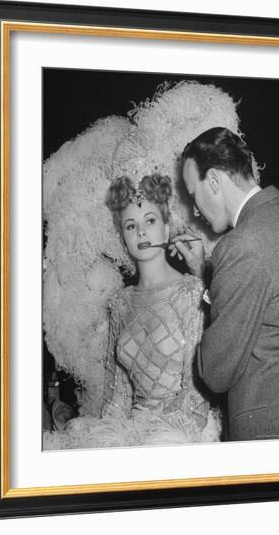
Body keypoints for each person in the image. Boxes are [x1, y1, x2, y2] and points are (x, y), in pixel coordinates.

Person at [52, 173, 222, 449]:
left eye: (150, 221)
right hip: (132, 431)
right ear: (124, 238)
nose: (141, 232)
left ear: (166, 230)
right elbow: (117, 394)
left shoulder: (192, 293)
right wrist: (113, 438)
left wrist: (150, 437)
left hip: (184, 434)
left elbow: (195, 396)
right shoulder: (120, 303)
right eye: (131, 226)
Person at [172, 127, 279, 441]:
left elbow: (216, 372)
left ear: (214, 181)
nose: (195, 210)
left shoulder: (240, 245)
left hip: (270, 431)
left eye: (194, 195)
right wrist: (203, 272)